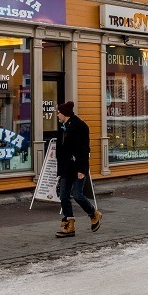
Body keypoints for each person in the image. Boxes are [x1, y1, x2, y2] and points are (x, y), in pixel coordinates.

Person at [53, 101, 101, 238]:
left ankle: (93, 213)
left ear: (65, 114)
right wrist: (60, 168)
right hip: (65, 168)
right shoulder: (63, 127)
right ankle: (69, 225)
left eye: (59, 112)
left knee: (78, 194)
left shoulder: (80, 126)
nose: (57, 115)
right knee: (63, 196)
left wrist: (81, 169)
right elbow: (61, 150)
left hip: (77, 167)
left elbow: (84, 150)